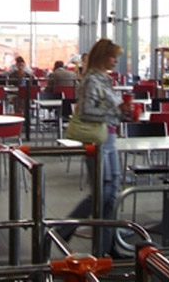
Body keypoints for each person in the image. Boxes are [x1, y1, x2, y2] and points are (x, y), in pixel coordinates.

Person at [59, 38, 132, 258]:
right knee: (102, 194)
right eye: (113, 57)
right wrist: (116, 112)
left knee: (110, 194)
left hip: (109, 137)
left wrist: (122, 112)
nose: (116, 61)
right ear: (103, 57)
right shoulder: (92, 80)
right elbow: (85, 111)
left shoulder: (105, 79)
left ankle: (106, 246)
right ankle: (64, 231)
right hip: (97, 139)